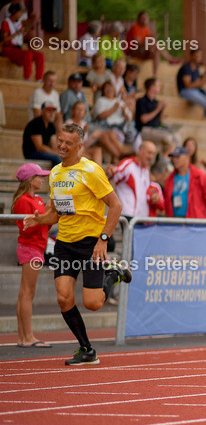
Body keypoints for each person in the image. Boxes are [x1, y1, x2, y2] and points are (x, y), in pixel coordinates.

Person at [19, 122, 132, 366]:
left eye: (68, 143)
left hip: (91, 243)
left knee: (93, 303)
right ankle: (87, 349)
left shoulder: (91, 170)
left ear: (79, 146)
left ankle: (112, 274)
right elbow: (55, 214)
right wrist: (38, 220)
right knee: (63, 298)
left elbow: (116, 206)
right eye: (60, 140)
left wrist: (103, 239)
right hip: (65, 243)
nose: (62, 145)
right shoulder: (56, 173)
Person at [12, 163, 52, 348]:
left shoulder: (37, 200)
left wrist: (49, 213)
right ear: (30, 180)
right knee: (27, 293)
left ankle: (23, 337)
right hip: (30, 248)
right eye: (39, 177)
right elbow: (25, 229)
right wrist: (44, 217)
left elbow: (43, 227)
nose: (42, 179)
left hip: (36, 247)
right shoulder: (24, 200)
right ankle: (27, 337)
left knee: (26, 293)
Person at [164, 146, 206, 219]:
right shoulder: (170, 178)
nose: (174, 160)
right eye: (173, 157)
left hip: (194, 221)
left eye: (178, 157)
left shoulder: (199, 175)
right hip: (174, 222)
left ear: (187, 157)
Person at [109, 141, 157, 218]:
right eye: (149, 153)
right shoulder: (128, 165)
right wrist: (110, 172)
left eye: (153, 154)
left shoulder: (146, 171)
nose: (151, 157)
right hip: (128, 215)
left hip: (141, 218)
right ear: (140, 151)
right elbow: (114, 174)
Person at [1, 2, 44, 81]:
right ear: (14, 11)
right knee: (28, 54)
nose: (21, 15)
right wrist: (17, 32)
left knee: (40, 55)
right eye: (20, 12)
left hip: (18, 49)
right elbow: (5, 39)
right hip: (9, 49)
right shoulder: (6, 22)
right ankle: (27, 78)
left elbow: (19, 38)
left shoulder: (19, 23)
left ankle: (39, 79)